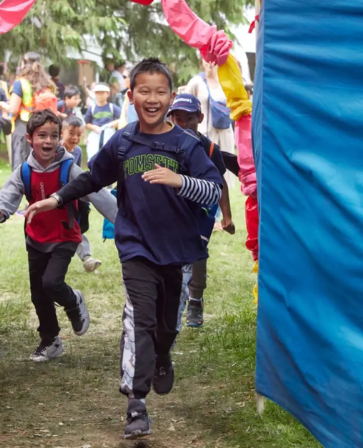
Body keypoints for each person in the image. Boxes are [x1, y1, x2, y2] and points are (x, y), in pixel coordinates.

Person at [24, 58, 223, 439]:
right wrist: (56, 199)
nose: (152, 99)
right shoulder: (124, 142)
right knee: (138, 322)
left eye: (160, 91)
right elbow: (92, 179)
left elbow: (213, 188)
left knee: (168, 326)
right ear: (130, 97)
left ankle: (163, 354)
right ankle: (136, 403)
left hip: (178, 252)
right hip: (136, 249)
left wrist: (179, 180)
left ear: (171, 95)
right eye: (143, 91)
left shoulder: (185, 144)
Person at [0, 110, 117, 362]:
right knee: (38, 293)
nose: (48, 141)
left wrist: (124, 222)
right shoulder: (23, 171)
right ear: (29, 139)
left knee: (51, 283)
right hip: (35, 238)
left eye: (54, 136)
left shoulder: (69, 168)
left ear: (59, 138)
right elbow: (7, 200)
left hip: (65, 236)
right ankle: (50, 340)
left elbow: (99, 195)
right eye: (41, 135)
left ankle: (73, 301)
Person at [167, 94, 235, 328]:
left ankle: (195, 299)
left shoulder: (210, 148)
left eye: (190, 118)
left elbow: (221, 182)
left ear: (200, 118)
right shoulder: (164, 143)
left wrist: (227, 217)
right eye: (178, 118)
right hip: (173, 207)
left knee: (197, 251)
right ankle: (170, 296)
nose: (183, 124)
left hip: (202, 208)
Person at [0, 52, 55, 170]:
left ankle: (20, 188)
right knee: (39, 162)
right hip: (42, 126)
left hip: (24, 126)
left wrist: (3, 105)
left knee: (21, 164)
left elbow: (13, 108)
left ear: (23, 64)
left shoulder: (20, 83)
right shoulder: (47, 83)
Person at [186, 59, 236, 188]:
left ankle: (224, 205)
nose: (210, 63)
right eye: (206, 59)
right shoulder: (197, 82)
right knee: (206, 171)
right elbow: (185, 104)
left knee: (225, 171)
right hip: (206, 132)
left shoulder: (226, 80)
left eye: (213, 59)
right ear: (202, 61)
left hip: (225, 131)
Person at [61, 115, 102, 273]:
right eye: (71, 133)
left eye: (79, 134)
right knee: (67, 228)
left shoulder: (77, 151)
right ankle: (86, 258)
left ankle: (87, 258)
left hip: (70, 196)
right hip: (53, 196)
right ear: (62, 132)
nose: (75, 138)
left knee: (75, 226)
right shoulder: (56, 149)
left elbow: (77, 175)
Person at [84, 84, 121, 162]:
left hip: (109, 133)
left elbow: (122, 118)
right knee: (93, 155)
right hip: (95, 135)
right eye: (98, 93)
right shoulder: (92, 108)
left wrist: (113, 123)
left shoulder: (112, 107)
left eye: (102, 93)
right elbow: (86, 123)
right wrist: (93, 127)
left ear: (108, 94)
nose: (100, 95)